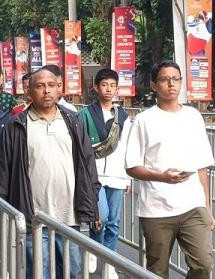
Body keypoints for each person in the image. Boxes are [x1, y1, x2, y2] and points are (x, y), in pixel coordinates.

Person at [0, 68, 100, 279]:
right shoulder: (16, 125)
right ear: (29, 92)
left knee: (74, 272)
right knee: (39, 273)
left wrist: (93, 204)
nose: (46, 91)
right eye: (40, 86)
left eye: (51, 85)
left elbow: (88, 166)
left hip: (70, 216)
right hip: (34, 217)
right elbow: (3, 170)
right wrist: (5, 210)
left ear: (59, 88)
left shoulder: (73, 121)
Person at [125, 60, 215, 279]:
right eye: (165, 80)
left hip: (192, 206)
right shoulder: (144, 120)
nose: (171, 84)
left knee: (203, 264)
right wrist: (162, 178)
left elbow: (202, 165)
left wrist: (207, 207)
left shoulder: (193, 116)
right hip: (156, 210)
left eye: (176, 79)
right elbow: (132, 166)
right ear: (154, 85)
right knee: (157, 271)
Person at [78, 69, 132, 278]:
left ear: (117, 88)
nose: (108, 89)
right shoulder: (84, 115)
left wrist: (128, 177)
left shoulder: (123, 117)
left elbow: (126, 146)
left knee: (114, 222)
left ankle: (109, 260)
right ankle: (94, 248)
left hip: (117, 175)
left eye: (112, 85)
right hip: (95, 176)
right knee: (100, 216)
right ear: (96, 87)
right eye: (104, 85)